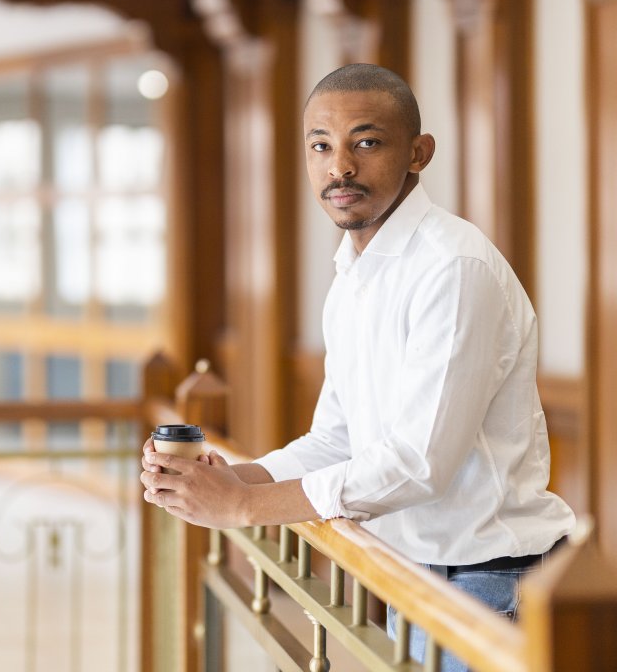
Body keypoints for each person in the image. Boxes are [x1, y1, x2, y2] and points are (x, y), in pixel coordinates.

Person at [139, 64, 575, 671]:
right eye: (321, 145)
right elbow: (337, 439)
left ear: (418, 153)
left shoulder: (453, 267)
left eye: (366, 142)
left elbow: (419, 465)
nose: (339, 165)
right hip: (415, 573)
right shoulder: (353, 273)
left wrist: (243, 509)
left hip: (486, 581)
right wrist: (240, 478)